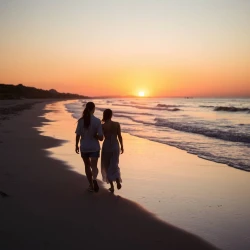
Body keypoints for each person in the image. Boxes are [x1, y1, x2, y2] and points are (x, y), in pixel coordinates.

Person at [75, 102, 103, 192]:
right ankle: (94, 179)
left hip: (84, 147)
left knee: (87, 166)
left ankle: (91, 185)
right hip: (94, 147)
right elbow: (101, 138)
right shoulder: (97, 121)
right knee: (94, 166)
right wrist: (96, 136)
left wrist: (76, 145)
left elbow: (78, 135)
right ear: (93, 109)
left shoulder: (80, 121)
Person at [101, 109, 123, 193]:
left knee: (106, 165)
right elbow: (120, 136)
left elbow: (101, 138)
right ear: (111, 115)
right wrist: (122, 146)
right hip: (115, 145)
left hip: (106, 145)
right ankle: (117, 179)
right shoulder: (117, 124)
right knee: (114, 163)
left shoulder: (103, 126)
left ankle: (112, 187)